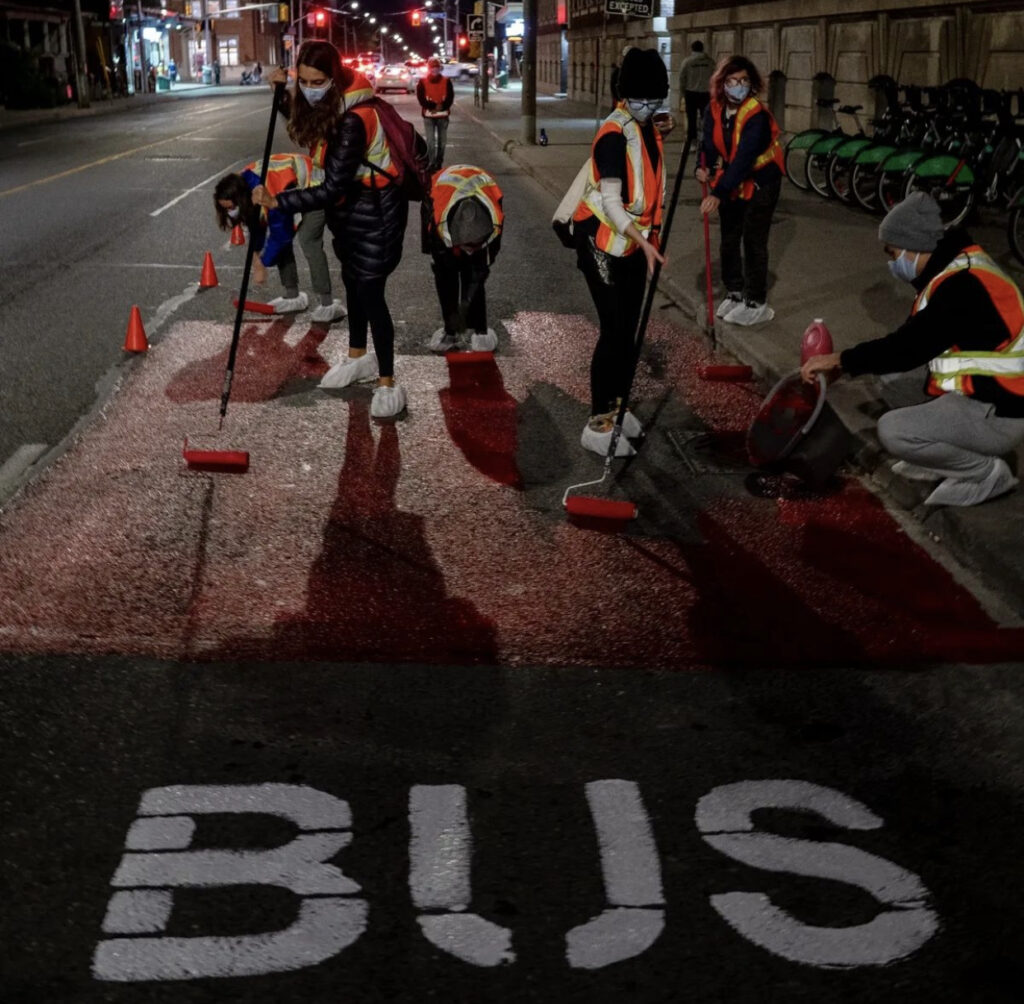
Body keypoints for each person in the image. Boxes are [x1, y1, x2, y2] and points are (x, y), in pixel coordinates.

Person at [801, 192, 1024, 507]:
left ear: (914, 247)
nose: (892, 262)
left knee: (893, 431)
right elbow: (911, 343)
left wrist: (841, 359)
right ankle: (940, 454)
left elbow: (907, 348)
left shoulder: (962, 285)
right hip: (990, 394)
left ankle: (985, 473)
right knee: (888, 379)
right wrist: (849, 365)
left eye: (893, 253)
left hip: (1001, 412)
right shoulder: (953, 267)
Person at [255, 41, 409, 418]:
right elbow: (305, 124)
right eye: (303, 80)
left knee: (371, 294)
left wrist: (280, 201)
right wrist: (281, 93)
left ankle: (388, 380)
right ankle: (358, 356)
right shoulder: (332, 105)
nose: (309, 88)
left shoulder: (354, 119)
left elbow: (333, 187)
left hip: (378, 215)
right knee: (354, 286)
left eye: (317, 81)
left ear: (335, 78)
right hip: (351, 213)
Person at [570, 47, 674, 457]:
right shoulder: (612, 134)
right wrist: (646, 243)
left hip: (632, 245)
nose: (646, 108)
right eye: (639, 101)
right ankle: (598, 420)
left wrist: (650, 242)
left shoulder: (647, 127)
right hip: (600, 240)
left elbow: (651, 189)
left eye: (654, 101)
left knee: (629, 330)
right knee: (613, 329)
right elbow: (612, 203)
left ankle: (617, 406)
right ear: (623, 95)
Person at [696, 54, 783, 327]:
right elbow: (707, 143)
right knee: (729, 238)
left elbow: (744, 159)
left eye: (744, 81)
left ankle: (757, 301)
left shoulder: (755, 114)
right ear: (722, 84)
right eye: (732, 81)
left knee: (754, 240)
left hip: (761, 182)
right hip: (733, 181)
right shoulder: (715, 109)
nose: (738, 86)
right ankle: (734, 291)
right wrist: (703, 167)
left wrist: (717, 193)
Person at [214, 153, 344, 321]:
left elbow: (281, 234)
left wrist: (263, 263)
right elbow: (257, 224)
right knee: (283, 245)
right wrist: (256, 254)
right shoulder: (244, 189)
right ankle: (293, 296)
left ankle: (328, 304)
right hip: (292, 188)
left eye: (231, 207)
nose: (229, 212)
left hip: (315, 185)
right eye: (225, 209)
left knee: (308, 239)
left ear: (240, 199)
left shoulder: (264, 189)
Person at [424, 164, 504, 354]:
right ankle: (450, 332)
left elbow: (484, 265)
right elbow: (442, 271)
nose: (470, 251)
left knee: (474, 270)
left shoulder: (495, 220)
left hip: (482, 187)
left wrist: (471, 294)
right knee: (446, 272)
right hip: (441, 191)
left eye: (475, 247)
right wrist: (453, 319)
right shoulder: (438, 222)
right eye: (467, 247)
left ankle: (479, 331)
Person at [416, 57, 454, 171]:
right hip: (428, 116)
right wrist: (433, 106)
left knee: (442, 143)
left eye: (436, 67)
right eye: (432, 67)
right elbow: (421, 99)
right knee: (430, 142)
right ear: (429, 69)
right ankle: (431, 163)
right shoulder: (422, 82)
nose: (434, 70)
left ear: (439, 68)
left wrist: (442, 106)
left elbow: (450, 97)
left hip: (443, 116)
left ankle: (439, 161)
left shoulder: (447, 81)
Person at [678, 41, 713, 142]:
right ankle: (706, 137)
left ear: (692, 49)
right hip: (706, 93)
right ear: (702, 48)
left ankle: (692, 140)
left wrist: (682, 92)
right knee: (705, 116)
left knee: (691, 117)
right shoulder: (710, 62)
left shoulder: (687, 62)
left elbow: (682, 78)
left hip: (691, 93)